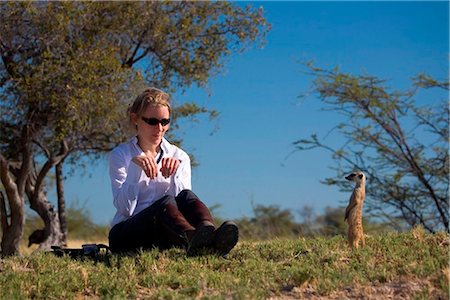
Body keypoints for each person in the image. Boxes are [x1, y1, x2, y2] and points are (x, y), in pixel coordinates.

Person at [108, 87, 239, 256]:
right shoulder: (121, 155)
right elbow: (126, 209)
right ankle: (195, 240)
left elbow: (182, 205)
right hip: (126, 235)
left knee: (186, 195)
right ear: (135, 119)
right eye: (152, 121)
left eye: (165, 122)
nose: (159, 128)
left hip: (165, 234)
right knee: (165, 202)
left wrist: (174, 176)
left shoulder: (179, 156)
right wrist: (135, 169)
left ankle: (209, 235)